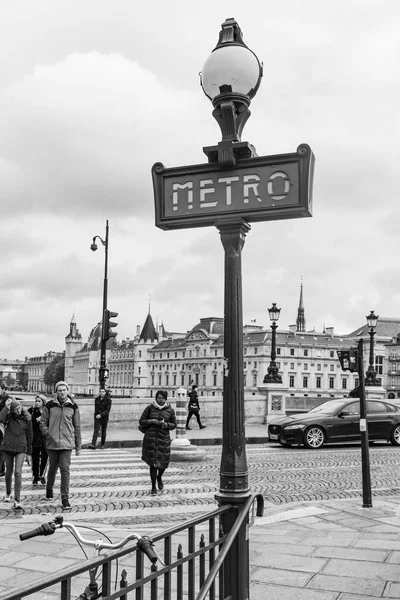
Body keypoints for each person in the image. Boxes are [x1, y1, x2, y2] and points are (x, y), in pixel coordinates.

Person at [40, 381, 81, 511]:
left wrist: (78, 446)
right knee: (52, 468)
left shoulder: (73, 406)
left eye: (64, 390)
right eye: (59, 390)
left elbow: (77, 427)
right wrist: (48, 434)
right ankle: (49, 488)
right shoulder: (50, 405)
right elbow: (43, 422)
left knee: (65, 470)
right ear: (56, 392)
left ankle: (65, 497)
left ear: (68, 391)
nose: (62, 392)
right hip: (52, 443)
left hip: (67, 443)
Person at [139, 389, 176, 495]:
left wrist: (166, 425)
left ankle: (159, 477)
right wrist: (152, 421)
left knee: (163, 464)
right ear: (156, 398)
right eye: (159, 398)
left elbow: (174, 424)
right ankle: (153, 486)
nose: (160, 400)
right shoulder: (150, 408)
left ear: (165, 399)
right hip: (151, 439)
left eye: (162, 398)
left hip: (163, 439)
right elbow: (141, 421)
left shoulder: (170, 410)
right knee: (153, 464)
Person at [0, 397, 32, 510]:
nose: (18, 410)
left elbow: (30, 436)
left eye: (19, 408)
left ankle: (17, 500)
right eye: (15, 409)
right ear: (12, 410)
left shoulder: (27, 418)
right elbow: (0, 418)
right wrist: (6, 407)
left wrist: (29, 453)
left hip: (20, 448)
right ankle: (8, 494)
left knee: (18, 472)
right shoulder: (8, 417)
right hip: (8, 447)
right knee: (9, 472)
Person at [28, 395, 48, 485]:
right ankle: (35, 476)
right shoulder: (31, 411)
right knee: (35, 458)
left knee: (45, 457)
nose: (37, 403)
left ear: (43, 402)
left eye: (39, 401)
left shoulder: (47, 411)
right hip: (35, 437)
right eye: (36, 401)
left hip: (45, 437)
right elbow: (28, 420)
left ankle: (42, 475)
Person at [0, 385, 9, 477]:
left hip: (2, 428)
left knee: (1, 450)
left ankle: (1, 469)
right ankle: (2, 469)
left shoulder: (7, 401)